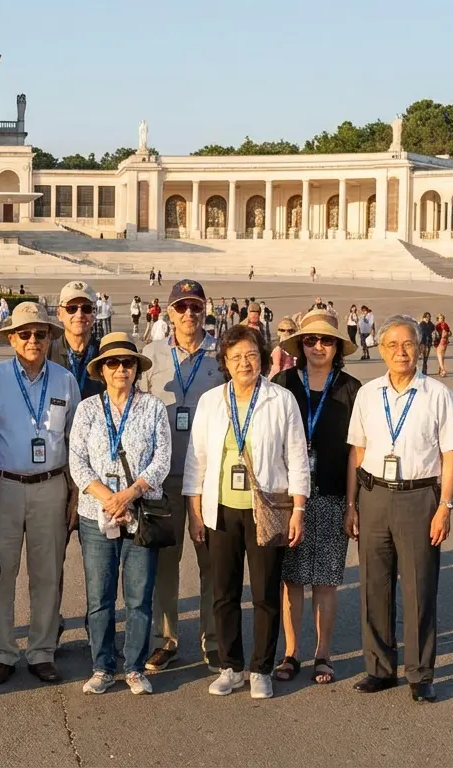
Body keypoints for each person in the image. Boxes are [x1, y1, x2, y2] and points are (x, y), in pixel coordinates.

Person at [345, 314, 453, 704]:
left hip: (419, 497)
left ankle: (420, 673)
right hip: (374, 494)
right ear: (381, 350)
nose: (401, 351)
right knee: (374, 587)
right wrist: (352, 504)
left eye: (408, 344)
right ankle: (379, 668)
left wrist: (444, 506)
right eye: (392, 345)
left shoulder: (437, 394)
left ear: (420, 347)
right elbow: (358, 451)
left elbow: (450, 453)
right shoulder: (368, 393)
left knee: (419, 588)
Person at [183, 324, 307, 700]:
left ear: (263, 357)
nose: (244, 363)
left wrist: (299, 508)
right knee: (224, 592)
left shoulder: (280, 399)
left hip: (265, 510)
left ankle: (261, 668)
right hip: (220, 509)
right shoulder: (211, 401)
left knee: (266, 592)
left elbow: (297, 458)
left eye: (251, 355)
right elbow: (197, 459)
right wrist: (194, 509)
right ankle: (231, 666)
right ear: (224, 362)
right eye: (235, 357)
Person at [0, 302, 81, 686]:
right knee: (1, 573)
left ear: (51, 337)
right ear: (11, 339)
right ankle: (2, 652)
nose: (33, 340)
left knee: (47, 573)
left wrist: (74, 493)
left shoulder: (65, 380)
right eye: (25, 334)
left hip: (51, 485)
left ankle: (41, 650)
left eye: (40, 333)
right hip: (5, 486)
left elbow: (74, 440)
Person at [68, 333, 171, 695]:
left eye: (128, 363)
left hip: (139, 510)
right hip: (96, 512)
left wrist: (129, 493)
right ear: (101, 370)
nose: (121, 369)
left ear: (136, 368)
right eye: (113, 363)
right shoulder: (88, 409)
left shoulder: (154, 407)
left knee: (139, 595)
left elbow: (162, 459)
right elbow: (77, 461)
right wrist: (106, 496)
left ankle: (134, 666)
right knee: (100, 596)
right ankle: (102, 666)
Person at [270, 310, 359, 686]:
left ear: (337, 346)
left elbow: (358, 451)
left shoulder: (353, 388)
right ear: (300, 345)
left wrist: (353, 505)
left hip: (333, 495)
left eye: (326, 340)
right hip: (291, 497)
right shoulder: (283, 383)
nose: (318, 346)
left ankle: (323, 653)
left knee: (325, 580)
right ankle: (291, 652)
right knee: (290, 579)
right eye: (310, 340)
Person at [140, 279, 223, 672]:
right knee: (165, 563)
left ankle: (213, 638)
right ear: (168, 312)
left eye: (195, 306)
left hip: (210, 477)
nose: (189, 314)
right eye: (181, 307)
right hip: (163, 475)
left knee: (213, 562)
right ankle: (165, 639)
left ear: (205, 309)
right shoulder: (152, 355)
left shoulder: (222, 355)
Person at [50, 280, 105, 400]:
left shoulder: (105, 354)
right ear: (59, 313)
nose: (79, 315)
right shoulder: (47, 354)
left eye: (86, 308)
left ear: (94, 313)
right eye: (72, 308)